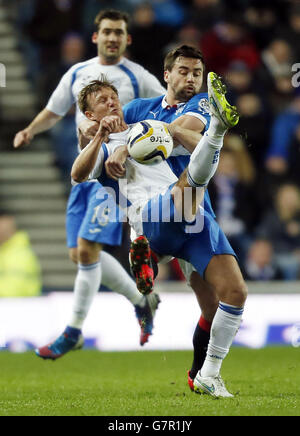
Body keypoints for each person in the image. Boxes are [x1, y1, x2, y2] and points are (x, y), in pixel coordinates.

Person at [72, 74, 247, 398]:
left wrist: (163, 134)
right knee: (186, 188)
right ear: (91, 115)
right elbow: (77, 173)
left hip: (192, 222)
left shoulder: (146, 127)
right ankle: (219, 130)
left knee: (235, 293)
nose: (111, 102)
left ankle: (209, 373)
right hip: (150, 216)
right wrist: (100, 137)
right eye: (101, 101)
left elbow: (194, 148)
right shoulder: (101, 145)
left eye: (113, 96)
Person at [13, 9, 166, 360]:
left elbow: (164, 107)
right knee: (81, 255)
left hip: (112, 174)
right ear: (96, 36)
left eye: (119, 32)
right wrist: (30, 130)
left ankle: (73, 331)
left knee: (86, 250)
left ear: (128, 39)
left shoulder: (137, 75)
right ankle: (142, 300)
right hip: (83, 168)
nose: (113, 37)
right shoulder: (78, 73)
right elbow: (54, 110)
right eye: (107, 31)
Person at [0, 211, 42, 297]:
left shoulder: (20, 254)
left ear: (10, 222)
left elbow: (13, 291)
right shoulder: (6, 251)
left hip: (20, 307)